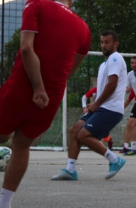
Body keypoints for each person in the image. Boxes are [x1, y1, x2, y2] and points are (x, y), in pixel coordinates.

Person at [0, 0, 91, 208]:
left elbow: (26, 49)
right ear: (69, 1)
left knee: (0, 135)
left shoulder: (35, 4)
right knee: (22, 144)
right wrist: (46, 88)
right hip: (51, 96)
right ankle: (3, 207)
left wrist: (37, 87)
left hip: (23, 86)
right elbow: (70, 71)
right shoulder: (84, 29)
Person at [51, 30, 127, 181]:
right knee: (74, 131)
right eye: (102, 42)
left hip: (110, 108)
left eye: (107, 42)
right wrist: (94, 103)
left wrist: (97, 103)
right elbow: (104, 87)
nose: (104, 45)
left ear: (115, 44)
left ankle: (115, 160)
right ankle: (70, 170)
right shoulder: (104, 64)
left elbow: (112, 85)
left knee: (83, 135)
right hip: (101, 106)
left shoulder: (115, 59)